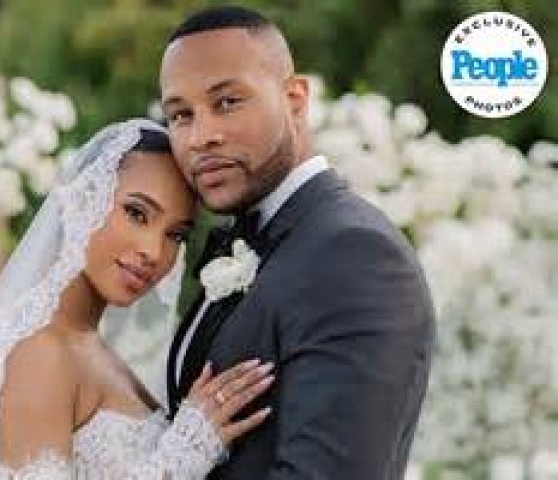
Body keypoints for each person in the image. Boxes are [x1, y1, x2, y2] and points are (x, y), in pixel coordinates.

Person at [160, 6, 436, 479]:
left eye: (226, 102)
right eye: (181, 114)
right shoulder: (255, 239)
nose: (201, 137)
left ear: (294, 99)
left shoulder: (355, 255)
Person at [0, 118, 274, 479]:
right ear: (84, 200)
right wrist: (186, 455)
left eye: (175, 235)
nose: (153, 252)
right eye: (137, 213)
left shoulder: (90, 346)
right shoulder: (38, 352)